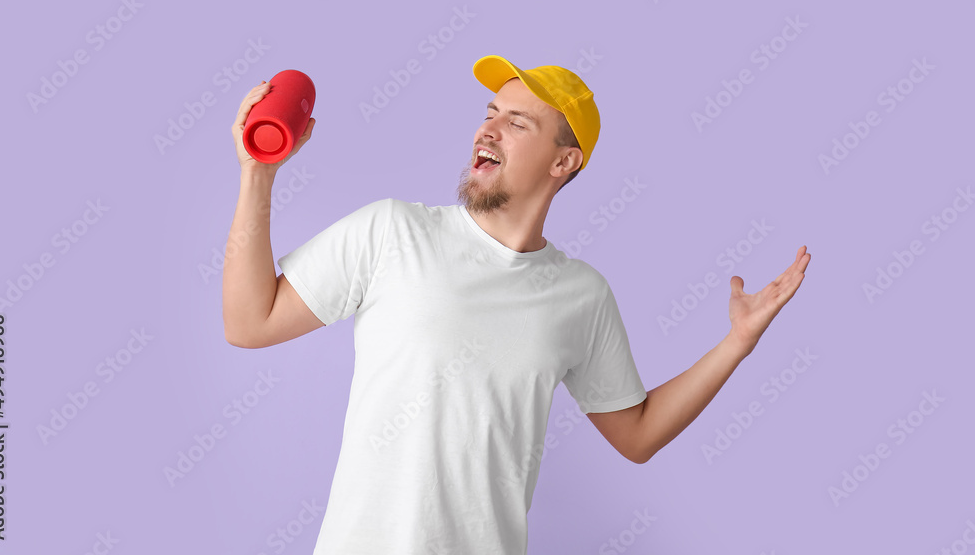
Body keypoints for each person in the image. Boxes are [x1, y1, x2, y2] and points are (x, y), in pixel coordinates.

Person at [222, 55, 812, 554]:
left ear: (563, 162)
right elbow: (250, 323)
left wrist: (737, 343)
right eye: (489, 116)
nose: (488, 131)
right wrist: (258, 175)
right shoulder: (392, 232)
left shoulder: (581, 295)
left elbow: (638, 435)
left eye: (517, 123)